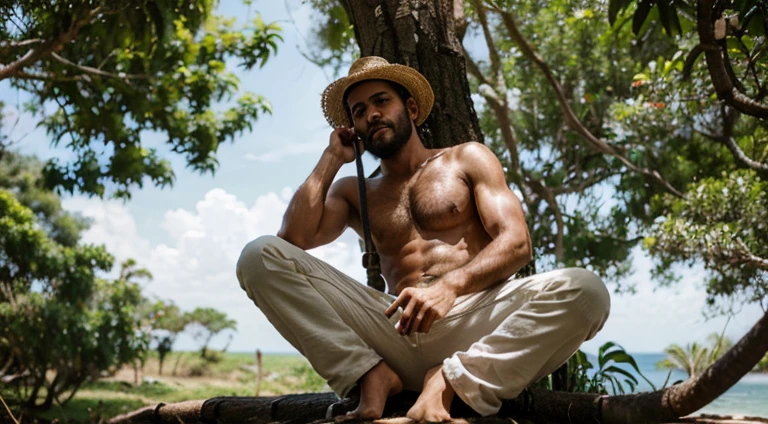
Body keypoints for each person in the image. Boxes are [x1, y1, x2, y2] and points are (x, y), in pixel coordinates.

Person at [236, 56, 610, 423]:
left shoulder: (467, 159)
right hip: (393, 332)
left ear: (411, 108)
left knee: (587, 291)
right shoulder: (355, 192)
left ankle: (449, 380)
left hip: (473, 322)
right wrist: (332, 157)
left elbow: (516, 242)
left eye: (382, 101)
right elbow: (291, 239)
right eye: (359, 111)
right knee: (259, 256)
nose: (371, 115)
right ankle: (370, 374)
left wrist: (451, 286)